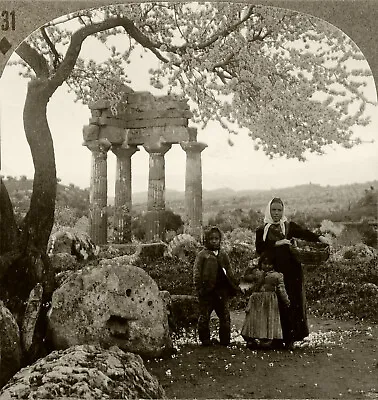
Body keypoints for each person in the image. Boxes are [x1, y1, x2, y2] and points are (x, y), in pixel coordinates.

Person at [255, 197, 329, 348]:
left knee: (291, 301)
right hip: (273, 272)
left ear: (283, 211)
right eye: (273, 210)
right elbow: (259, 248)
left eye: (279, 210)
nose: (276, 213)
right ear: (269, 211)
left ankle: (290, 338)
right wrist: (278, 243)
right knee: (275, 303)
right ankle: (275, 337)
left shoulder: (288, 226)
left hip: (292, 272)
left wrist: (320, 237)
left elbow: (304, 233)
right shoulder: (263, 230)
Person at [193, 226, 239, 346]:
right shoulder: (202, 255)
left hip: (221, 290)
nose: (214, 241)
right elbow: (197, 273)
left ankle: (225, 340)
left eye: (217, 238)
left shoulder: (223, 255)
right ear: (206, 240)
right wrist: (199, 289)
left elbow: (229, 270)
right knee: (204, 316)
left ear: (220, 240)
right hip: (207, 291)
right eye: (211, 238)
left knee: (225, 315)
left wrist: (233, 284)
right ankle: (205, 340)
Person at [240, 252, 291, 350]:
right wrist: (250, 268)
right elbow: (246, 278)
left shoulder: (277, 276)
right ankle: (252, 339)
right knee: (254, 320)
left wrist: (286, 300)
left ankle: (266, 340)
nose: (267, 266)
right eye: (264, 263)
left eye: (270, 264)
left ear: (274, 265)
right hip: (257, 301)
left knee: (266, 320)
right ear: (260, 263)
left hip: (269, 302)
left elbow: (281, 289)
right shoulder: (257, 273)